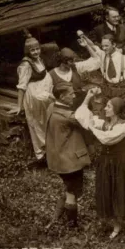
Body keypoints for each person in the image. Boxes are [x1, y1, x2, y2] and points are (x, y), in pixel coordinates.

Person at [75, 88, 125, 239]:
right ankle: (116, 225)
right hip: (106, 163)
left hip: (121, 163)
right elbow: (81, 115)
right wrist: (88, 97)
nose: (105, 108)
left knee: (123, 191)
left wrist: (92, 127)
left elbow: (107, 138)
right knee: (110, 191)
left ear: (117, 111)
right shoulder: (103, 123)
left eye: (109, 107)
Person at [45, 82, 92, 229]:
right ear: (62, 96)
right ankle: (73, 226)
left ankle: (55, 219)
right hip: (69, 161)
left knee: (68, 188)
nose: (74, 95)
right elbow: (83, 119)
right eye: (70, 94)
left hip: (58, 158)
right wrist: (89, 98)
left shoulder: (52, 107)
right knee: (72, 193)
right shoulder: (67, 116)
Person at [9, 32, 54, 164]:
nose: (35, 52)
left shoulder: (40, 59)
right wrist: (19, 105)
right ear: (27, 51)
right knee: (38, 123)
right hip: (35, 96)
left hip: (45, 94)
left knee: (48, 120)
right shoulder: (25, 65)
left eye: (37, 49)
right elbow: (22, 86)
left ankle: (52, 149)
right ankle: (42, 155)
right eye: (32, 50)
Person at [78, 33, 125, 117]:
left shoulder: (124, 58)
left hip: (119, 90)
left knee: (122, 114)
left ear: (114, 44)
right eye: (103, 46)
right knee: (106, 111)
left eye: (106, 46)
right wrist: (84, 38)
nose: (104, 48)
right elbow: (93, 46)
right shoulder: (103, 55)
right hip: (107, 89)